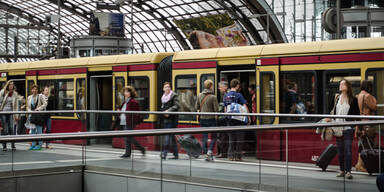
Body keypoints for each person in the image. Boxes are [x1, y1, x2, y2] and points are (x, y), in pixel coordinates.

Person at [327, 79, 359, 179]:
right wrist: (329, 118)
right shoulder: (336, 97)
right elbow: (330, 109)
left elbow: (357, 114)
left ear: (347, 86)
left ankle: (348, 172)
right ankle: (341, 170)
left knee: (348, 150)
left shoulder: (353, 99)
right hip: (337, 128)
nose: (340, 86)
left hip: (348, 128)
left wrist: (351, 121)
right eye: (340, 84)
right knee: (340, 151)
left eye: (343, 84)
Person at [224, 79, 250, 161]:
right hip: (239, 120)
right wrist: (248, 117)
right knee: (240, 138)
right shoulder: (239, 95)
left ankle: (230, 156)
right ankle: (238, 156)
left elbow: (225, 108)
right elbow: (245, 106)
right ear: (237, 85)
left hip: (230, 119)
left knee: (231, 138)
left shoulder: (226, 95)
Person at [355, 80, 377, 172]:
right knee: (367, 144)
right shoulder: (368, 96)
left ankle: (360, 163)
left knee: (362, 143)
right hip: (367, 122)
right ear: (369, 87)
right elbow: (374, 107)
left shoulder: (356, 96)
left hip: (359, 123)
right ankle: (360, 164)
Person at [119, 86, 146, 158]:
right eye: (125, 91)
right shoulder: (126, 101)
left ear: (131, 93)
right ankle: (128, 153)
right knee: (127, 137)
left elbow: (136, 112)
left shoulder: (133, 102)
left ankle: (141, 149)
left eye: (127, 91)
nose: (125, 93)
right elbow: (121, 108)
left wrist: (133, 120)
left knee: (128, 137)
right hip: (124, 121)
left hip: (130, 122)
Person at [196, 79, 219, 161]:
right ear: (211, 86)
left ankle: (205, 153)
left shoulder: (199, 95)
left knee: (204, 136)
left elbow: (197, 107)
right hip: (211, 119)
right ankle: (209, 151)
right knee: (214, 136)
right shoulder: (213, 97)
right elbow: (216, 109)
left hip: (202, 119)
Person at [160, 82, 179, 160]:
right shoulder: (163, 97)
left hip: (172, 119)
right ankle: (176, 154)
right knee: (171, 137)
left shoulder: (174, 95)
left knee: (167, 136)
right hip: (165, 119)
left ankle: (164, 153)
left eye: (168, 87)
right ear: (163, 89)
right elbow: (162, 108)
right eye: (165, 87)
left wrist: (168, 111)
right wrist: (164, 113)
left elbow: (177, 105)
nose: (167, 88)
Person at [27, 84, 47, 150]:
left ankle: (39, 145)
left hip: (38, 115)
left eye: (36, 89)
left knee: (39, 130)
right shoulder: (29, 97)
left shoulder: (41, 96)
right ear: (31, 90)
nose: (34, 90)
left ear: (37, 90)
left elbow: (45, 104)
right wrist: (29, 111)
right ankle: (33, 144)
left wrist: (39, 109)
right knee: (32, 130)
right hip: (32, 115)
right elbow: (27, 106)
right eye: (33, 89)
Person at [0, 80, 19, 151]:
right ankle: (4, 145)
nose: (11, 86)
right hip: (3, 113)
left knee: (12, 128)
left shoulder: (15, 94)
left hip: (11, 113)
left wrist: (16, 115)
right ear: (7, 85)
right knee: (5, 130)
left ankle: (13, 145)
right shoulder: (3, 92)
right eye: (10, 84)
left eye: (12, 84)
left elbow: (16, 105)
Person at [217, 81, 229, 158]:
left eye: (220, 87)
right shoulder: (226, 94)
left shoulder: (226, 95)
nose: (219, 89)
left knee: (223, 136)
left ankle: (223, 153)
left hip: (226, 119)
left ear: (225, 87)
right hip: (227, 118)